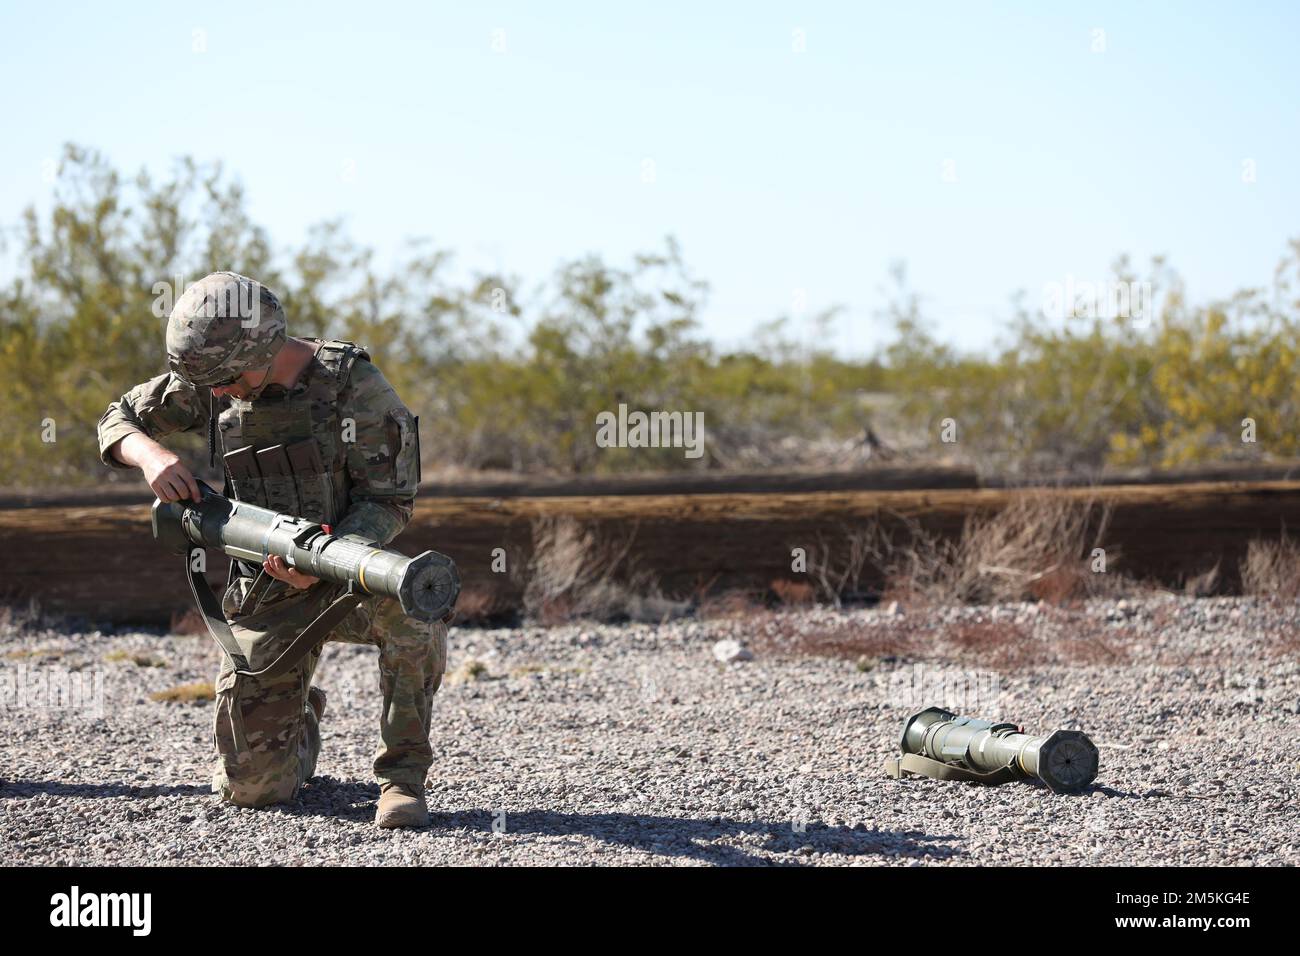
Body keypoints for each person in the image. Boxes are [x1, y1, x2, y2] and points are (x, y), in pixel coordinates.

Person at [97, 271, 445, 828]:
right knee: (252, 790)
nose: (214, 396)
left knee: (416, 610)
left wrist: (332, 561)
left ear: (265, 350)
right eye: (208, 384)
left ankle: (402, 777)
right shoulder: (217, 373)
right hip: (266, 584)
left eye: (227, 381)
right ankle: (300, 717)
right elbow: (117, 420)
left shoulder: (354, 387)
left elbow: (391, 498)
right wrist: (150, 456)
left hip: (348, 574)